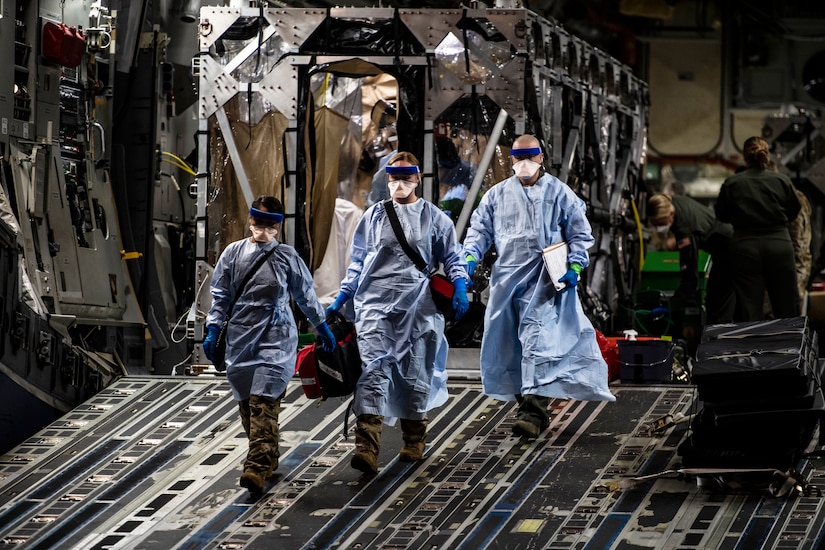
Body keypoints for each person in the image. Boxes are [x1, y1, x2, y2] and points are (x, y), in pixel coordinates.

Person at [325, 151, 470, 475]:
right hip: (375, 305)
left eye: (406, 177)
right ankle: (367, 447)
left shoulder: (434, 218)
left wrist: (460, 284)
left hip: (419, 309)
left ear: (418, 178)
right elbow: (359, 261)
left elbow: (453, 257)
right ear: (387, 179)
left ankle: (414, 439)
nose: (400, 184)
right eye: (395, 178)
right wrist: (344, 294)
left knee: (414, 375)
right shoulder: (374, 216)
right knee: (373, 371)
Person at [462, 134, 615, 440]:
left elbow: (579, 233)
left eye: (530, 156)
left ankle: (533, 412)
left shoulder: (559, 193)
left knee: (538, 342)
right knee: (510, 346)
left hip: (546, 282)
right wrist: (468, 257)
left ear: (542, 158)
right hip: (506, 283)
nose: (524, 163)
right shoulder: (496, 195)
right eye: (518, 158)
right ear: (511, 161)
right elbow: (479, 230)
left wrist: (574, 266)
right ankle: (528, 404)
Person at [203, 195, 337, 494]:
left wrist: (322, 325)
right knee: (249, 410)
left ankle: (256, 466)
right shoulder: (233, 253)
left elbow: (305, 295)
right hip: (240, 338)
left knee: (263, 402)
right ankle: (268, 454)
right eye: (258, 222)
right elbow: (221, 294)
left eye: (269, 224)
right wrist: (213, 328)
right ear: (250, 221)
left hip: (275, 338)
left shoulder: (286, 257)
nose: (263, 230)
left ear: (278, 225)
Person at [714, 136, 801, 321]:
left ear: (744, 157)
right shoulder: (781, 180)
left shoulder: (733, 183)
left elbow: (721, 214)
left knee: (749, 306)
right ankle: (790, 347)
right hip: (779, 243)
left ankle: (752, 348)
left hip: (745, 246)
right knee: (786, 304)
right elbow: (794, 211)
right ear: (766, 155)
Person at [646, 193, 735, 324]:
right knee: (712, 298)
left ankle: (723, 338)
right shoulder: (673, 201)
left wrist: (670, 306)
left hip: (732, 251)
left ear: (670, 215)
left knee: (720, 304)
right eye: (654, 224)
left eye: (660, 223)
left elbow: (690, 279)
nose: (657, 228)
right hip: (725, 249)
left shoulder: (685, 230)